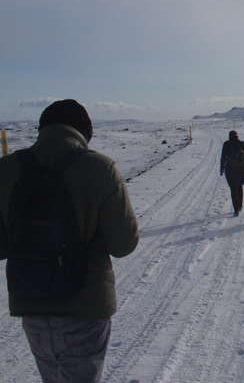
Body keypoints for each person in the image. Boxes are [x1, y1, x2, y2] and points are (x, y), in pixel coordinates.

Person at [0, 99, 139, 383]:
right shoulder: (100, 168)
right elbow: (123, 244)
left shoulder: (8, 168)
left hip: (31, 300)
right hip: (84, 303)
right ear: (84, 132)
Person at [220, 130, 244, 216]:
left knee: (233, 189)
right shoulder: (241, 144)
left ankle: (236, 209)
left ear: (229, 136)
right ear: (237, 136)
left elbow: (223, 158)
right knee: (239, 187)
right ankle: (239, 206)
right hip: (240, 169)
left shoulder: (226, 144)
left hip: (230, 170)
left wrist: (221, 169)